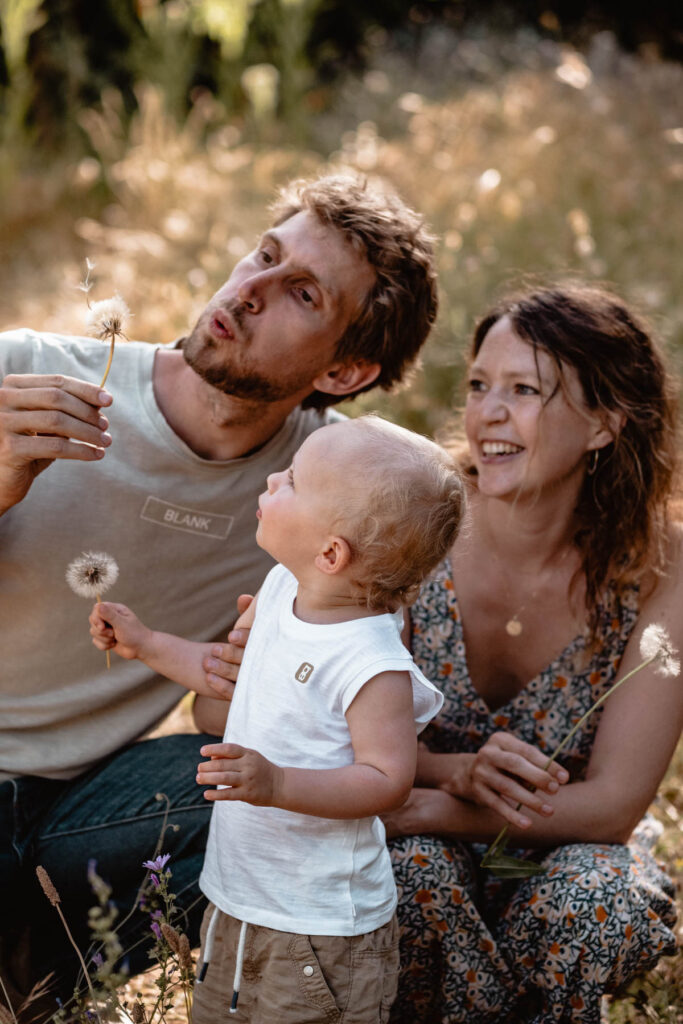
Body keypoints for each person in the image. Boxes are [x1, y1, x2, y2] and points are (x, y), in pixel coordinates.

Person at [0, 174, 438, 1010]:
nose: (249, 290)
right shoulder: (23, 377)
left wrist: (240, 680)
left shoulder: (331, 490)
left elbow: (295, 722)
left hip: (91, 802)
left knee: (290, 812)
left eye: (299, 293)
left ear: (345, 369)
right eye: (263, 256)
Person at [89, 415, 464, 1023]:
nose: (270, 479)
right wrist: (148, 644)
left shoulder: (372, 661)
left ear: (331, 552)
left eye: (290, 480)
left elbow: (388, 779)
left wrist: (279, 783)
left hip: (320, 928)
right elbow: (228, 677)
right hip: (240, 896)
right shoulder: (278, 589)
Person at [380, 284, 683, 1024]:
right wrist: (451, 776)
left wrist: (424, 806)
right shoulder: (413, 515)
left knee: (593, 900)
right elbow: (320, 720)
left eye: (523, 390)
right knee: (405, 873)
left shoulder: (662, 566)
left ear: (603, 423)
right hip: (413, 843)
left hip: (558, 848)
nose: (487, 413)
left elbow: (611, 805)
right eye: (480, 385)